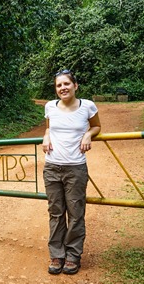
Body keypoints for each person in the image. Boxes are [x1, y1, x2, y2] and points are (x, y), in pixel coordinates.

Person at [41, 69, 101, 275]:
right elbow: (49, 128)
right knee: (56, 212)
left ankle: (73, 255)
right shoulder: (50, 107)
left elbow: (97, 126)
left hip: (75, 168)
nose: (62, 88)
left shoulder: (87, 106)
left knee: (76, 213)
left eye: (66, 84)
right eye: (59, 85)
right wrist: (46, 136)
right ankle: (57, 254)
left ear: (75, 86)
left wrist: (88, 135)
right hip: (51, 167)